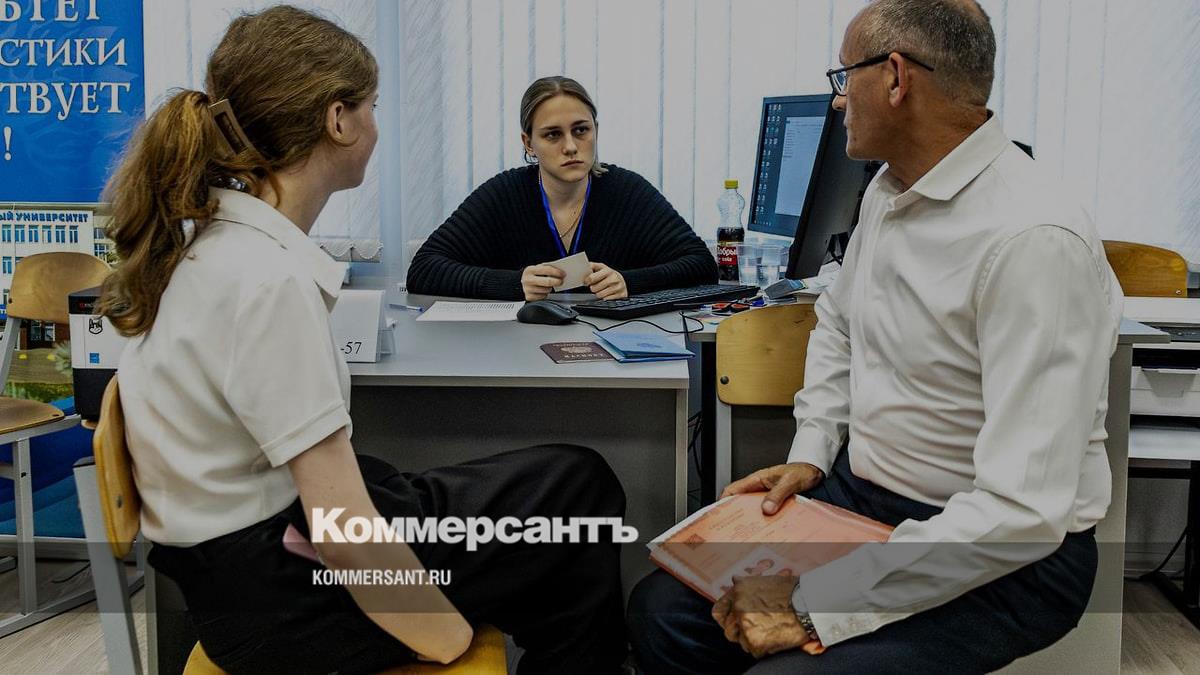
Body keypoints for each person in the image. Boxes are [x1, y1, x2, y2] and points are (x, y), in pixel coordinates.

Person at [99, 7, 626, 673]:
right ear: (339, 121)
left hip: (254, 567)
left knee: (556, 480)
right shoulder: (266, 279)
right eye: (371, 107)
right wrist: (444, 638)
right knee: (579, 492)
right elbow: (345, 536)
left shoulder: (212, 247)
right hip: (288, 606)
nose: (375, 124)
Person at [627, 0, 1124, 672]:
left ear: (894, 78)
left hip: (1004, 555)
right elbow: (838, 324)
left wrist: (810, 602)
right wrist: (813, 451)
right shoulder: (890, 192)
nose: (837, 102)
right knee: (662, 612)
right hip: (861, 501)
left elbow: (1022, 514)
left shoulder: (1034, 239)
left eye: (843, 78)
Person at [405, 76, 717, 301]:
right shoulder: (505, 194)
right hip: (519, 353)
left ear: (596, 131)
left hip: (611, 355)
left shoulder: (627, 191)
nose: (570, 146)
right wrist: (514, 284)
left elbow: (701, 265)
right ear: (528, 143)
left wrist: (629, 282)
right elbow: (424, 269)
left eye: (581, 130)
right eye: (553, 135)